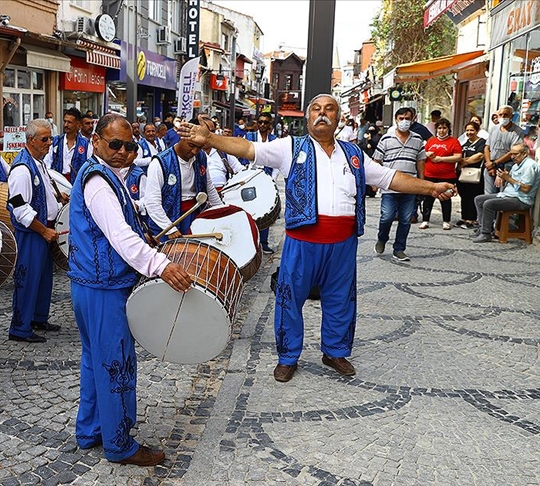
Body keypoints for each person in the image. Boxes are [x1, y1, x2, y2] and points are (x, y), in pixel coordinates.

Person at [179, 94, 455, 382]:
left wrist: (430, 188)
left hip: (343, 243)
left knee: (341, 299)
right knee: (290, 299)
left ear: (338, 118)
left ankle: (334, 351)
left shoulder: (354, 155)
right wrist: (210, 138)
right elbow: (249, 149)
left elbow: (389, 178)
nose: (322, 114)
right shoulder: (290, 148)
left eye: (329, 109)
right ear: (308, 117)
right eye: (316, 109)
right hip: (302, 242)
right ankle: (288, 356)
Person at [69, 113, 192, 466]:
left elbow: (123, 225)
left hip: (92, 285)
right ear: (96, 142)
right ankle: (120, 444)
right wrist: (161, 265)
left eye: (130, 146)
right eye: (115, 144)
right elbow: (118, 236)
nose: (124, 152)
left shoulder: (110, 176)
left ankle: (91, 430)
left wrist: (146, 236)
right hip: (103, 289)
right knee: (116, 364)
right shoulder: (97, 181)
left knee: (95, 362)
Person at [7, 119, 69, 344]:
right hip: (32, 233)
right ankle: (20, 328)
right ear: (30, 140)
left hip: (43, 230)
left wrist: (57, 196)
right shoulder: (22, 170)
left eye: (51, 138)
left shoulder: (39, 162)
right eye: (45, 139)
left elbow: (40, 190)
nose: (49, 143)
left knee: (43, 279)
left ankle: (38, 318)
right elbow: (19, 208)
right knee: (28, 279)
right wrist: (43, 231)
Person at [142, 116, 222, 240]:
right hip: (166, 221)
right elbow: (152, 202)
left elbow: (209, 188)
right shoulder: (160, 162)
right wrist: (169, 227)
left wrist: (222, 212)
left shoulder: (201, 157)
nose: (195, 151)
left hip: (195, 217)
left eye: (199, 147)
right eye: (191, 145)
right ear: (182, 136)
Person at [373, 108, 428, 261]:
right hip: (389, 184)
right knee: (387, 217)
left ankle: (399, 249)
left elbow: (421, 161)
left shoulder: (417, 139)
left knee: (405, 219)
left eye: (407, 118)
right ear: (396, 119)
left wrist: (422, 183)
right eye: (401, 118)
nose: (404, 121)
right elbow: (376, 161)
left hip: (410, 186)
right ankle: (382, 238)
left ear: (413, 119)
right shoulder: (386, 139)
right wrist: (374, 181)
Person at [473, 142, 539, 243]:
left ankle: (486, 234)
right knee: (479, 199)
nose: (512, 157)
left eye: (515, 154)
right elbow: (510, 180)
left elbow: (526, 189)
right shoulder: (516, 165)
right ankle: (484, 228)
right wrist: (503, 178)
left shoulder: (529, 166)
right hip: (508, 195)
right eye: (511, 154)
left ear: (525, 153)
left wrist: (508, 178)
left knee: (489, 204)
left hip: (521, 199)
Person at [419, 118, 462, 230]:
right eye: (439, 128)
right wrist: (427, 155)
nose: (441, 130)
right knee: (428, 199)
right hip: (430, 174)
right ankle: (425, 220)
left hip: (447, 176)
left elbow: (458, 157)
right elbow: (422, 157)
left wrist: (441, 159)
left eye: (444, 128)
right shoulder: (431, 141)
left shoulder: (454, 141)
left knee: (446, 199)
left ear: (448, 129)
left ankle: (446, 221)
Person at [246, 113, 280, 253]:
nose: (262, 125)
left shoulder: (274, 140)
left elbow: (277, 162)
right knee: (248, 210)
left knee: (265, 210)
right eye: (260, 122)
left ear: (269, 125)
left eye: (265, 123)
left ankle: (263, 243)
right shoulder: (249, 138)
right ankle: (249, 243)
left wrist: (272, 179)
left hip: (266, 178)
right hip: (250, 177)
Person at [45, 107, 92, 183]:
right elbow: (47, 164)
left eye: (69, 122)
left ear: (78, 124)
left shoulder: (85, 144)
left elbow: (90, 166)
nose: (66, 125)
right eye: (65, 121)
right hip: (58, 182)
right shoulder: (56, 141)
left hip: (77, 183)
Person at [484, 106, 522, 195]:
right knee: (488, 194)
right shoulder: (494, 128)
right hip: (491, 166)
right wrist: (489, 164)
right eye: (501, 115)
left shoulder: (517, 131)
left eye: (506, 115)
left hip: (506, 166)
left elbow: (512, 152)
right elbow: (487, 147)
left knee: (502, 194)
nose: (503, 117)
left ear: (511, 116)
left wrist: (494, 163)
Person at [455, 121, 486, 229]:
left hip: (475, 174)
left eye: (472, 130)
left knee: (473, 196)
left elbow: (479, 156)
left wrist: (465, 161)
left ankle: (471, 219)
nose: (469, 132)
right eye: (467, 130)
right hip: (463, 174)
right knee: (464, 196)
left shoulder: (482, 142)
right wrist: (464, 161)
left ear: (477, 130)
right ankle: (464, 217)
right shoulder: (464, 143)